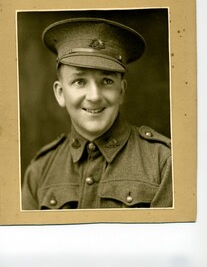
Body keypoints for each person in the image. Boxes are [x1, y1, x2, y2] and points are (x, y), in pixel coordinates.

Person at [22, 17, 172, 210]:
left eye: (107, 81)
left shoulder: (162, 162)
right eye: (80, 81)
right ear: (60, 93)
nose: (94, 96)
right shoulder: (39, 172)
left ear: (122, 91)